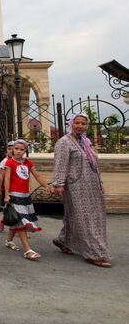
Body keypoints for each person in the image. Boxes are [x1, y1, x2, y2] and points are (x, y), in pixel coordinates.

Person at [53, 113, 112, 268]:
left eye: (83, 123)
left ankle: (64, 240)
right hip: (75, 185)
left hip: (92, 185)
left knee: (86, 216)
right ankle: (94, 254)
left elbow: (94, 165)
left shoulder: (86, 142)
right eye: (77, 123)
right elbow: (60, 164)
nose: (80, 126)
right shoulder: (64, 142)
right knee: (86, 218)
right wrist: (58, 184)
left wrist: (100, 182)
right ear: (71, 124)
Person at [3, 139, 52, 261]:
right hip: (14, 195)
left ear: (25, 151)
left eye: (21, 149)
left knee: (17, 221)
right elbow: (7, 179)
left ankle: (8, 241)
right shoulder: (10, 162)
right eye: (16, 148)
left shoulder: (27, 163)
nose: (18, 151)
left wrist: (46, 186)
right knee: (23, 222)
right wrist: (7, 195)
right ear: (13, 149)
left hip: (25, 196)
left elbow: (37, 175)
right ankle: (28, 250)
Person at [0, 141, 16, 232]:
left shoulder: (19, 161)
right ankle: (17, 228)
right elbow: (1, 177)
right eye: (9, 149)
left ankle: (2, 218)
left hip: (18, 188)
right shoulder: (5, 161)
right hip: (8, 189)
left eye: (13, 148)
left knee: (16, 208)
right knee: (11, 208)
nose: (11, 151)